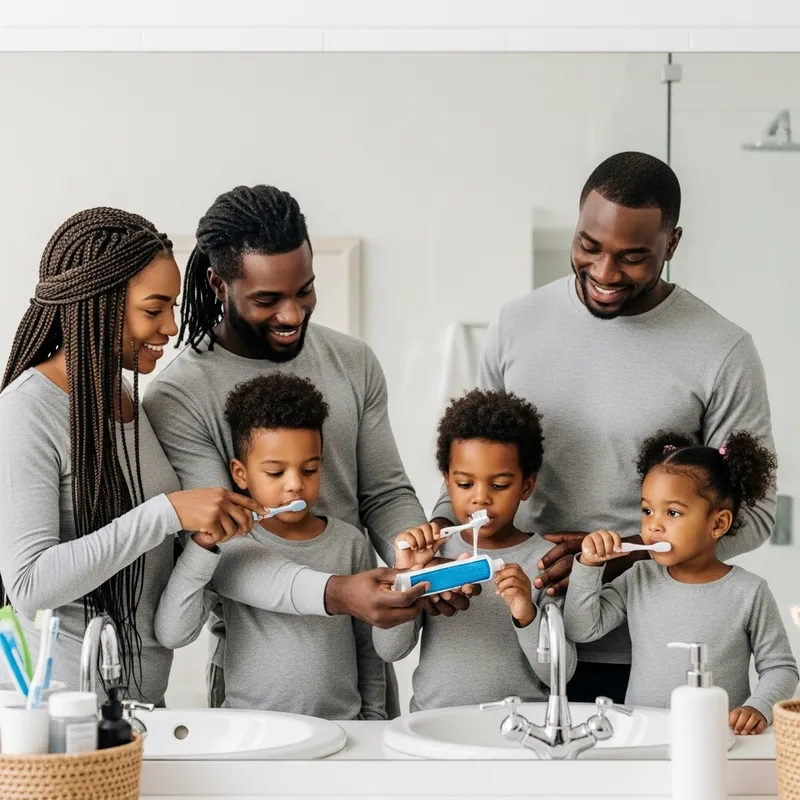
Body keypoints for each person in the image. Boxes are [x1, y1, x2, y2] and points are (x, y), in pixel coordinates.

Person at [431, 151, 777, 703]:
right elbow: (472, 467)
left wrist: (626, 555)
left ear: (672, 244)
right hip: (523, 642)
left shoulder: (722, 350)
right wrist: (436, 536)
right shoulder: (517, 325)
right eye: (588, 246)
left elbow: (754, 516)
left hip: (647, 654)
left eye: (633, 257)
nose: (605, 272)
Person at [143, 185, 469, 711]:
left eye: (305, 290)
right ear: (218, 285)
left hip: (356, 657)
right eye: (267, 300)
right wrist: (337, 592)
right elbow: (222, 547)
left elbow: (384, 493)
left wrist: (424, 564)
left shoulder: (353, 362)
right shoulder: (179, 396)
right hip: (257, 678)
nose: (293, 314)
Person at [0, 208, 265, 704]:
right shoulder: (27, 410)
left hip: (140, 706)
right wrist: (167, 513)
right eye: (153, 309)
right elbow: (30, 584)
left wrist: (203, 541)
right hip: (63, 711)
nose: (171, 325)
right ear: (98, 305)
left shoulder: (123, 396)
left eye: (173, 307)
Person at [155, 374, 387, 719]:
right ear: (240, 473)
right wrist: (201, 546)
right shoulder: (230, 548)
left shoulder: (350, 542)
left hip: (343, 727)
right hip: (251, 730)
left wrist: (374, 718)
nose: (295, 485)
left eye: (310, 469)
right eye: (276, 473)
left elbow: (368, 648)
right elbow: (173, 633)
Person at [563, 430, 798, 735]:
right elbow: (580, 629)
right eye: (647, 511)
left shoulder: (749, 592)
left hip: (718, 738)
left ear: (718, 523)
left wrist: (759, 707)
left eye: (672, 512)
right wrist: (589, 565)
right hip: (644, 737)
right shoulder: (638, 578)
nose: (653, 525)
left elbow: (780, 667)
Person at [374, 389, 576, 711]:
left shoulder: (547, 562)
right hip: (432, 726)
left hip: (515, 730)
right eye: (465, 484)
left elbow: (561, 675)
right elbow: (389, 650)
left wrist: (527, 614)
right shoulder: (432, 556)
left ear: (527, 485)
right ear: (447, 481)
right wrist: (405, 576)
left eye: (499, 485)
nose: (480, 497)